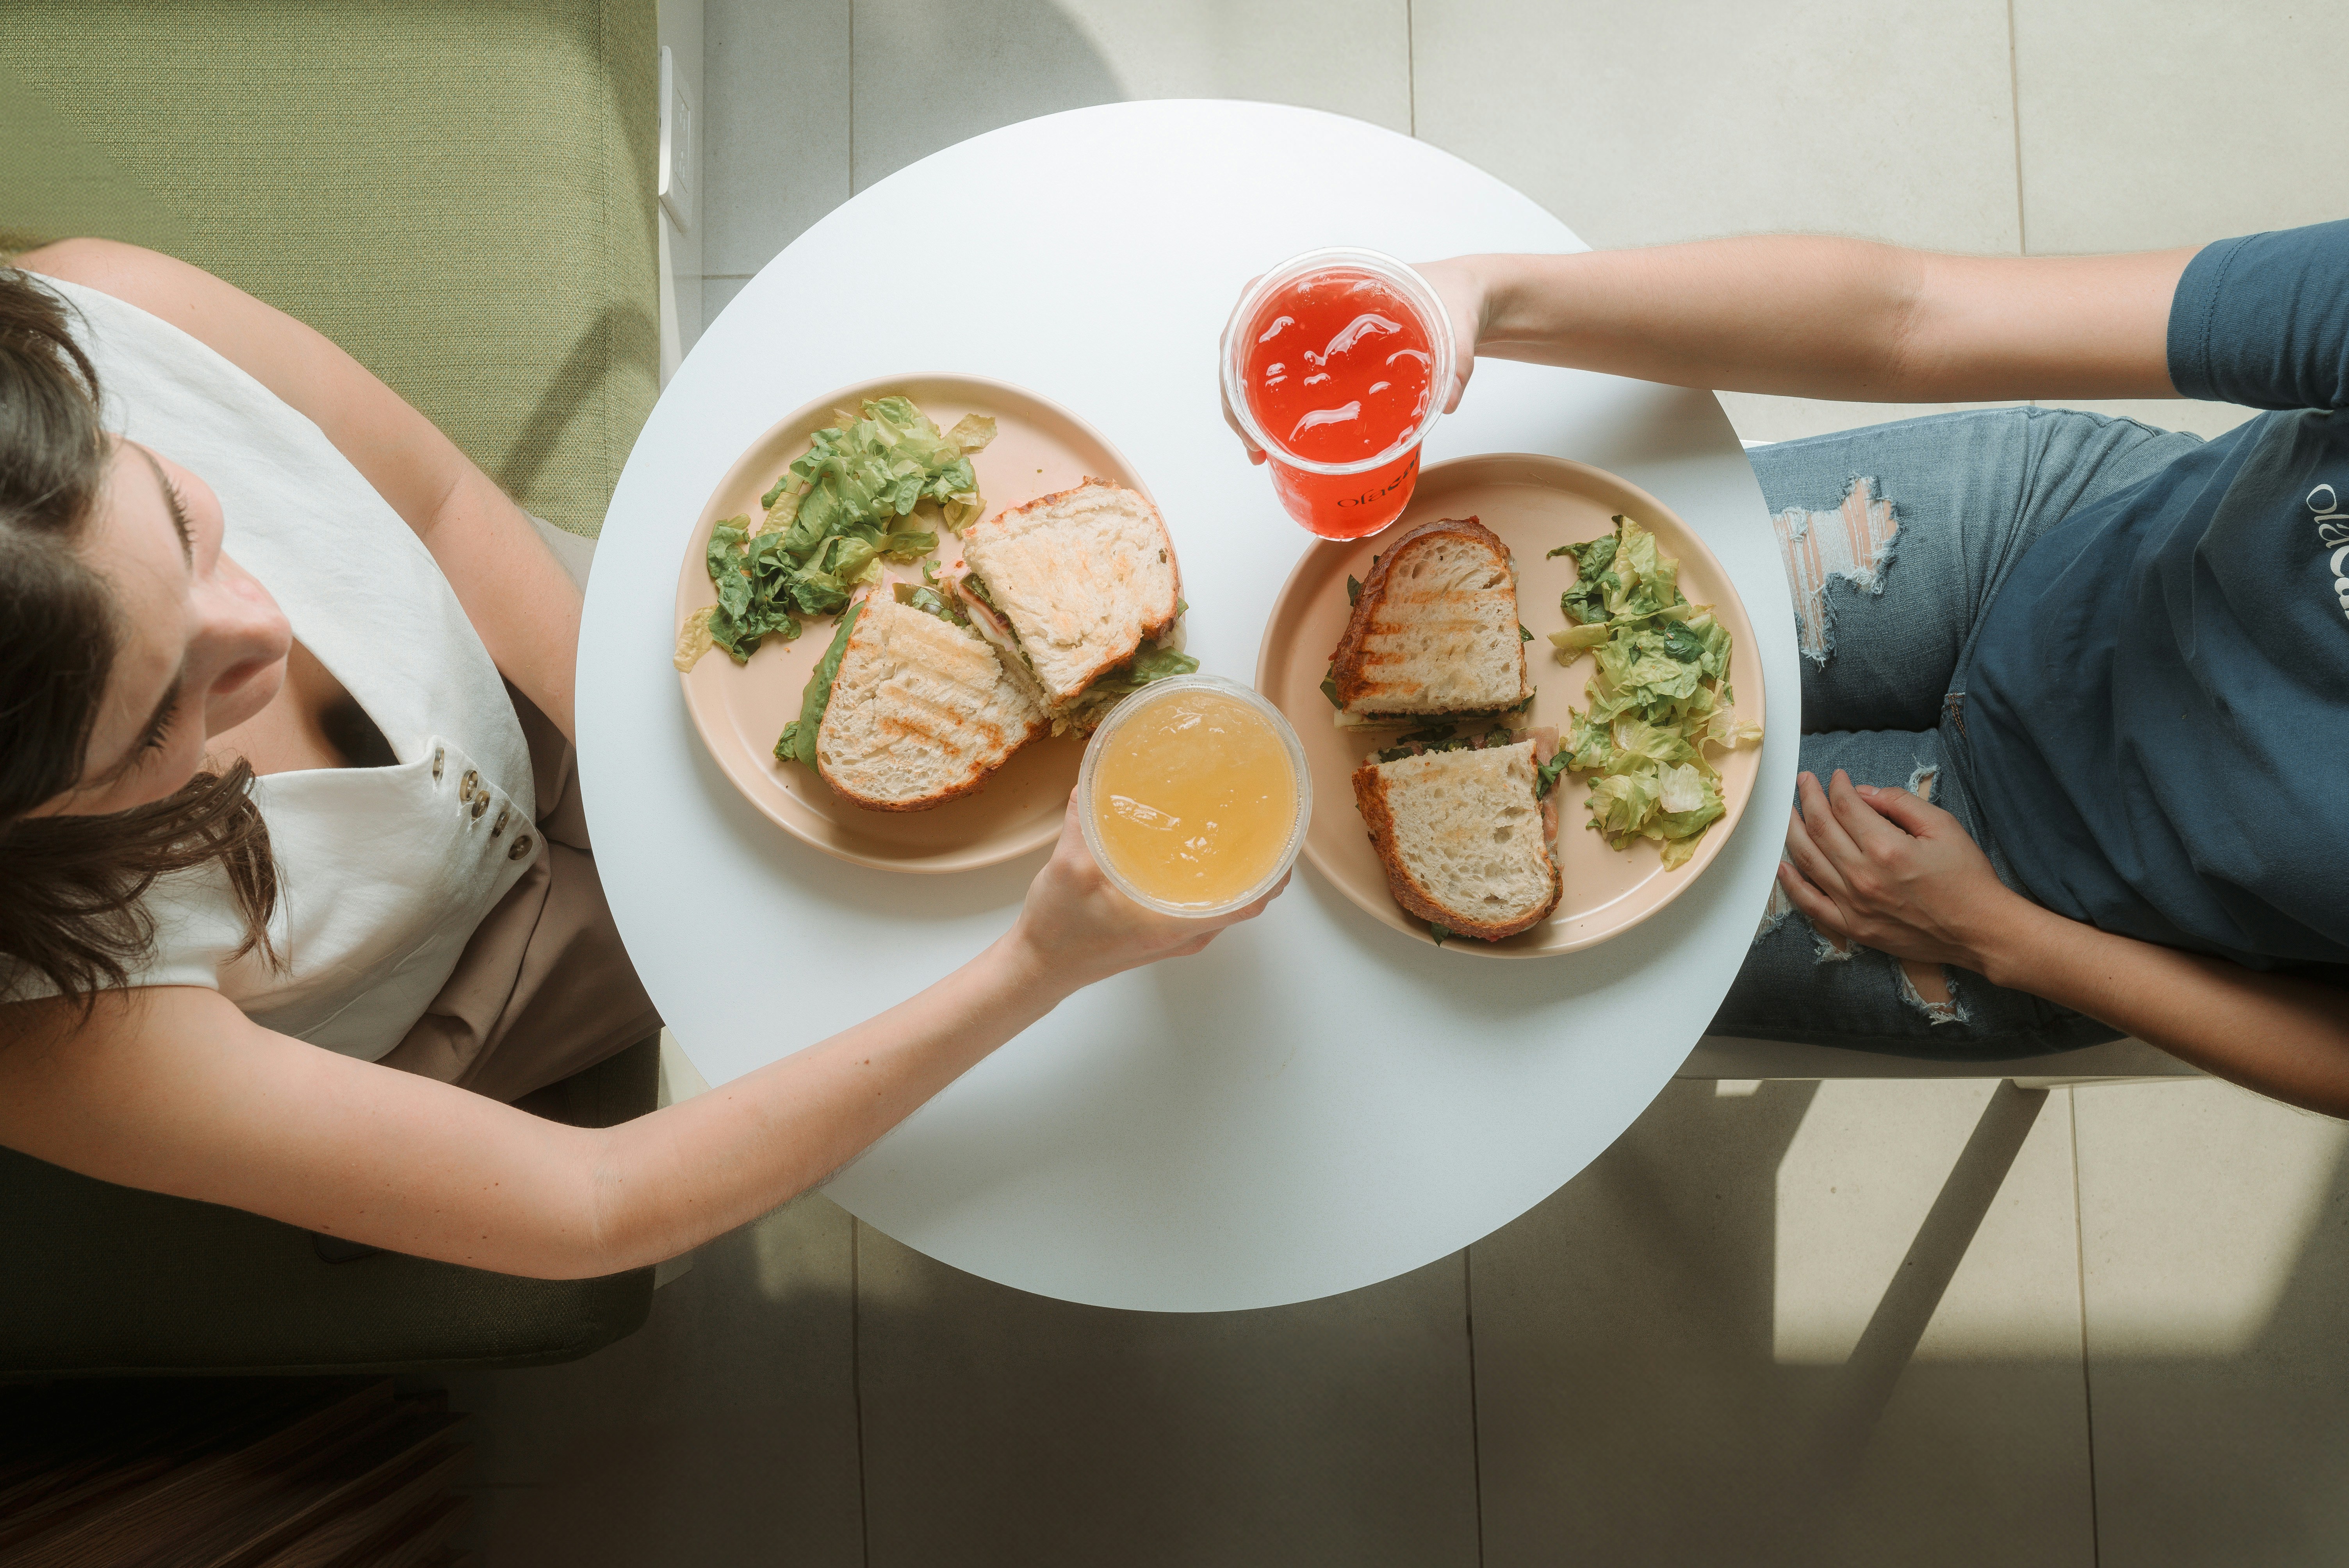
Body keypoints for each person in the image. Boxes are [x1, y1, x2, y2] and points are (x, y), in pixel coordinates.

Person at [0, 240, 1278, 1279]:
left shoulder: (123, 312)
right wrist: (1035, 967)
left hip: (519, 654)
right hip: (459, 987)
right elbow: (595, 1204)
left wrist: (666, 789)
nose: (266, 625)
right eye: (161, 719)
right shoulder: (50, 1028)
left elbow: (439, 502)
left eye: (181, 519)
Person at [1227, 223, 2349, 1114]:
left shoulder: (2026, 923)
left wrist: (2008, 943)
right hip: (2054, 529)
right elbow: (1916, 314)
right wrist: (1482, 296)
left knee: (1488, 980)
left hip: (2064, 895)